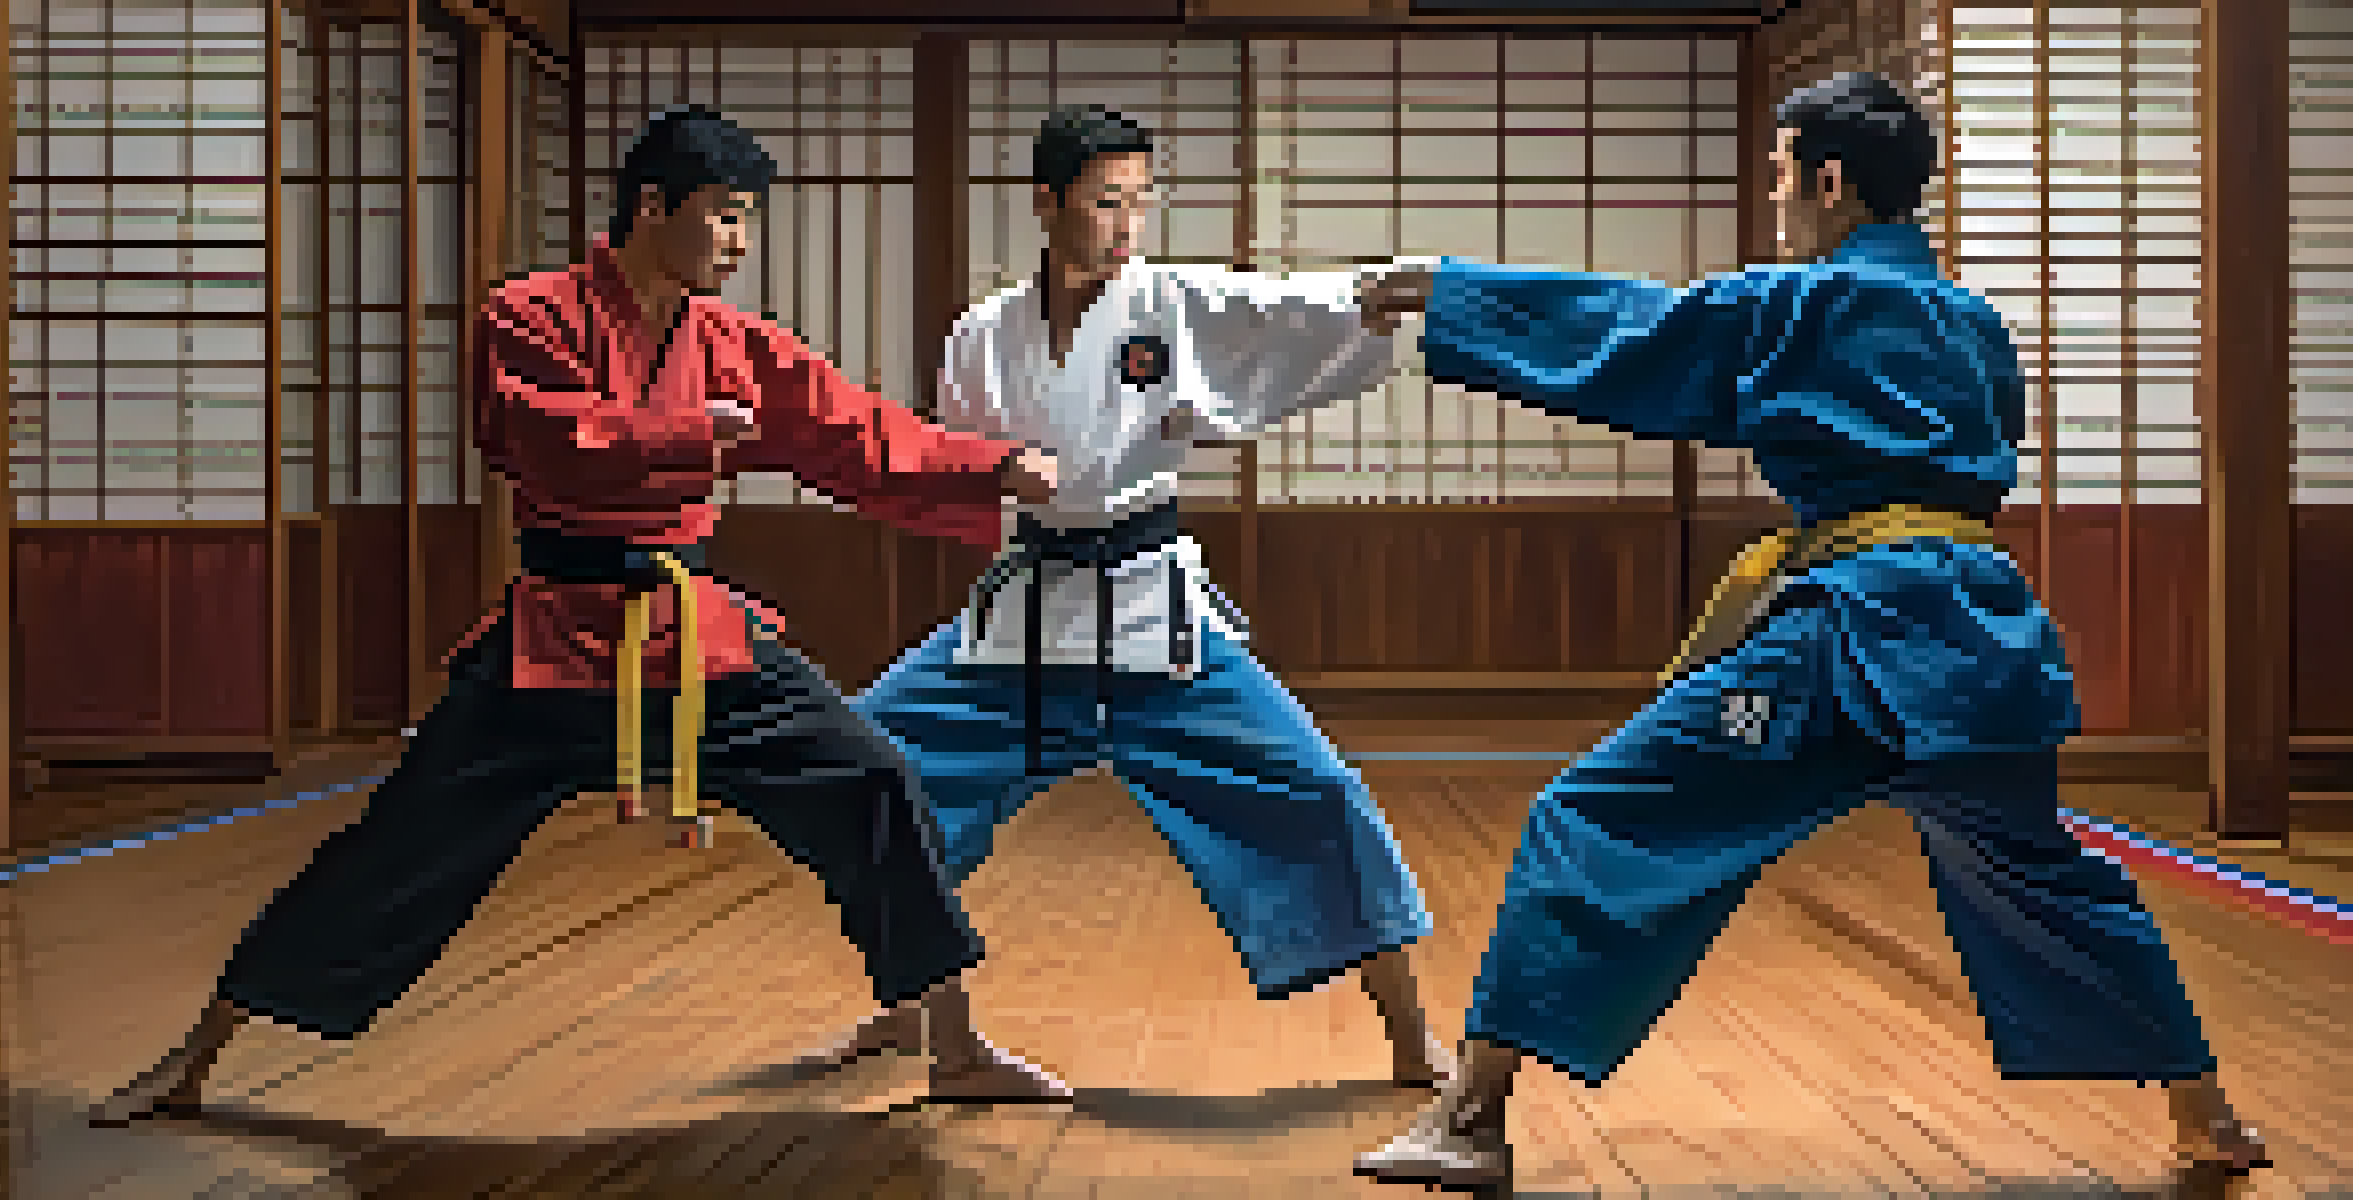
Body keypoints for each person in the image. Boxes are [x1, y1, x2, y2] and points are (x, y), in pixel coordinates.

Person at [1350, 72, 2269, 1189]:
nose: (1776, 197)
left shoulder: (1801, 304)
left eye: (1782, 173)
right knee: (2044, 875)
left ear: (1828, 180)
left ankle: (1471, 1118)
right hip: (1986, 645)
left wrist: (1448, 290)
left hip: (1850, 643)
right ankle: (2205, 1114)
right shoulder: (1976, 327)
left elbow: (1641, 332)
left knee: (1595, 815)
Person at [88, 105, 1071, 1127]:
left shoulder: (729, 341)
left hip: (692, 640)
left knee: (871, 780)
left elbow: (851, 430)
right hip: (554, 644)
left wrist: (992, 465)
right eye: (723, 217)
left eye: (749, 222)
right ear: (652, 207)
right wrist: (686, 433)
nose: (739, 243)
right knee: (398, 846)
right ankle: (195, 1059)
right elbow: (540, 441)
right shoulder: (528, 315)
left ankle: (954, 1048)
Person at [794, 105, 1451, 1089]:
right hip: (1030, 612)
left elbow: (1277, 310)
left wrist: (1375, 295)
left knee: (1316, 791)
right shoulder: (984, 333)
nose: (1128, 226)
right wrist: (996, 472)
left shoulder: (1170, 306)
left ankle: (1412, 1035)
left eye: (1142, 204)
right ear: (1047, 204)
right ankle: (929, 1022)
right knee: (880, 767)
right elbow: (956, 456)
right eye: (1108, 203)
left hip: (1154, 616)